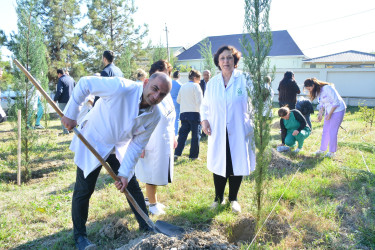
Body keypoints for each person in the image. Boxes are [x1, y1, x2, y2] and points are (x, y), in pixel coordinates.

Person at [61, 72, 172, 250]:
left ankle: (146, 225)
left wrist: (124, 173)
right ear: (145, 83)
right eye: (155, 88)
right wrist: (71, 113)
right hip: (93, 139)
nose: (156, 96)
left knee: (132, 185)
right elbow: (85, 83)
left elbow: (136, 146)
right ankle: (80, 237)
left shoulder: (155, 115)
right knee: (84, 189)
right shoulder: (121, 87)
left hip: (118, 145)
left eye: (162, 94)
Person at [201, 45, 256, 213]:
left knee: (236, 164)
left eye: (229, 58)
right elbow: (205, 105)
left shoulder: (245, 79)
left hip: (239, 129)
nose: (226, 61)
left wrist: (251, 123)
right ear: (218, 62)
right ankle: (218, 199)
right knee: (220, 164)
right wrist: (204, 121)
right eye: (222, 58)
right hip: (218, 129)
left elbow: (257, 103)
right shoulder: (213, 83)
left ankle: (233, 199)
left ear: (235, 60)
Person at [135, 60, 176, 215]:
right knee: (150, 172)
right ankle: (152, 205)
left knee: (157, 171)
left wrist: (173, 136)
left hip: (164, 137)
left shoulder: (167, 92)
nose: (168, 76)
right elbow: (138, 119)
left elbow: (171, 115)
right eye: (165, 72)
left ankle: (151, 199)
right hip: (150, 139)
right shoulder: (148, 91)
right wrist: (140, 145)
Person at [304, 78, 346, 158]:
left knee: (332, 131)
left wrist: (329, 114)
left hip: (338, 110)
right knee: (325, 130)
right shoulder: (318, 91)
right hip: (329, 109)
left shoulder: (328, 88)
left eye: (309, 89)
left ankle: (332, 152)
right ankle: (322, 149)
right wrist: (320, 113)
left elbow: (336, 102)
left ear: (313, 85)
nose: (309, 91)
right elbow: (322, 103)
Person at [174, 69, 203, 160]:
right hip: (195, 113)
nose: (199, 81)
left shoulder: (183, 86)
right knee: (195, 136)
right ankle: (193, 156)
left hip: (184, 113)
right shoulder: (196, 86)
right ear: (195, 78)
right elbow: (200, 102)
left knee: (182, 135)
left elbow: (178, 100)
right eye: (199, 79)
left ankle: (177, 153)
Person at [54, 69, 75, 134]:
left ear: (59, 74)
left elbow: (59, 91)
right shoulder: (71, 79)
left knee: (63, 116)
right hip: (71, 100)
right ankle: (72, 130)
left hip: (63, 101)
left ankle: (66, 131)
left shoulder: (61, 79)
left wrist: (55, 99)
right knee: (70, 116)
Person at [171, 70, 182, 135]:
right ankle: (175, 134)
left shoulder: (169, 83)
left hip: (170, 101)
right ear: (179, 76)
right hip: (177, 102)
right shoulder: (180, 85)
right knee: (176, 118)